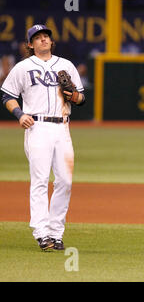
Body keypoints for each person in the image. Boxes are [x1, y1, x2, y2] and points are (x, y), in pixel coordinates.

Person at [1, 24, 86, 251]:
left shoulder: (65, 65)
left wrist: (74, 95)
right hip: (37, 127)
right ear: (30, 44)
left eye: (46, 36)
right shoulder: (23, 67)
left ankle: (56, 233)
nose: (43, 40)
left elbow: (81, 98)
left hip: (62, 127)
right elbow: (7, 94)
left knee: (65, 181)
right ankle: (42, 233)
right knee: (39, 181)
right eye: (37, 38)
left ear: (51, 41)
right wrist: (19, 114)